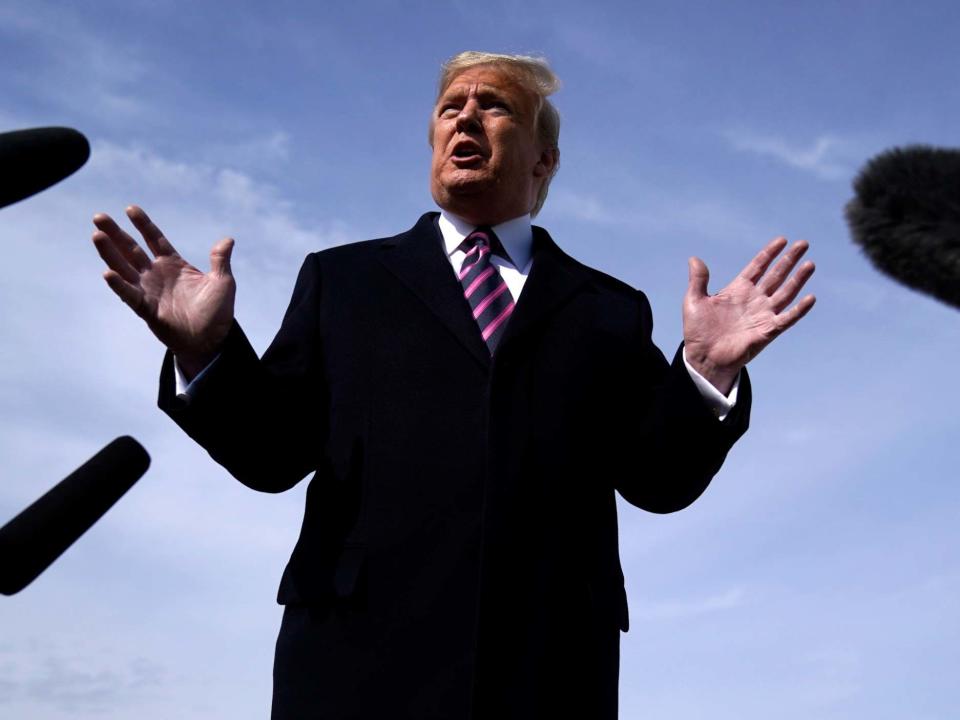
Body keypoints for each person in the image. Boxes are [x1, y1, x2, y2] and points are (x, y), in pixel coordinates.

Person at [91, 51, 815, 720]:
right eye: (449, 107)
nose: (465, 117)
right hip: (355, 669)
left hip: (548, 674)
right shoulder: (343, 281)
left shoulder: (608, 309)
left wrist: (707, 372)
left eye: (494, 105)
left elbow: (659, 478)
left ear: (544, 159)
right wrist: (208, 349)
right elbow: (273, 454)